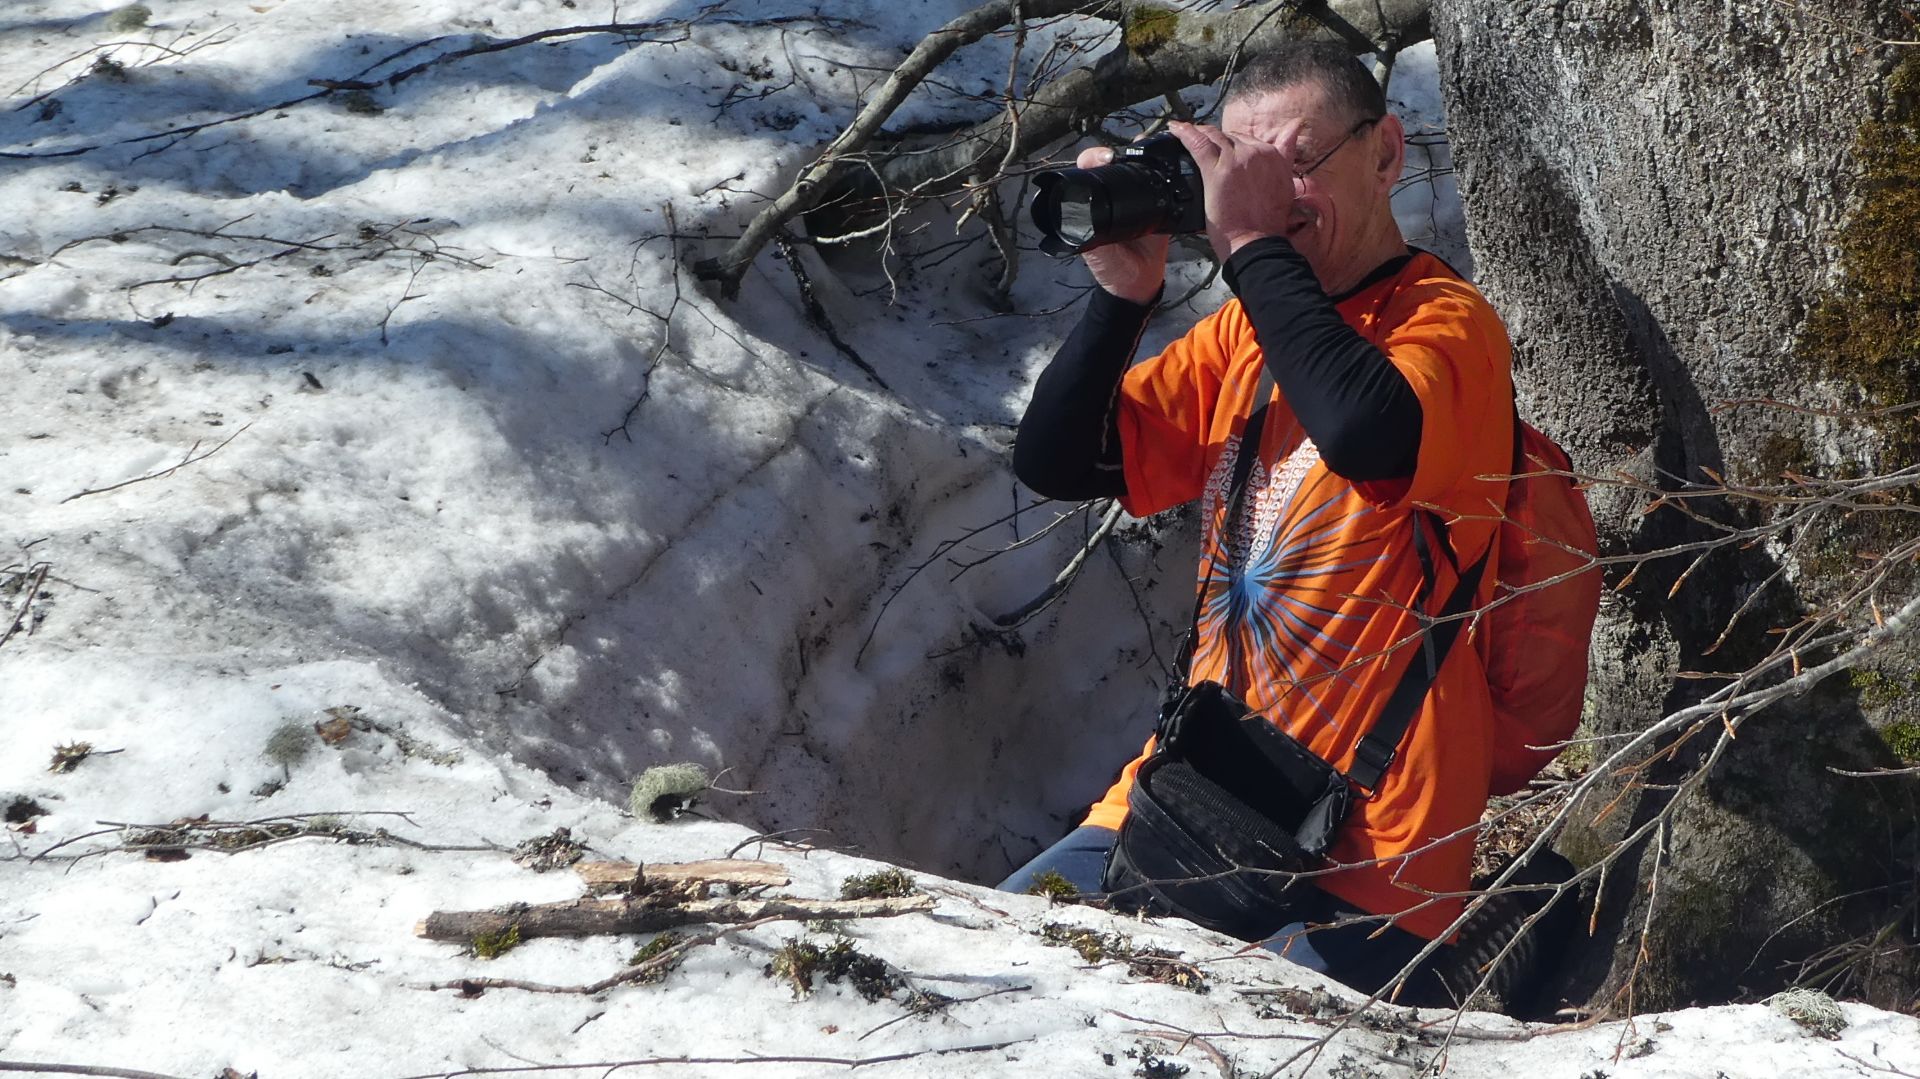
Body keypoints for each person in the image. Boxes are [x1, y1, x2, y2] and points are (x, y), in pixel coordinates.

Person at [1002, 42, 1516, 997]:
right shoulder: (1243, 331)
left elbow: (1369, 429)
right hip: (1186, 799)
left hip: (1367, 862)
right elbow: (1057, 461)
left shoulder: (1450, 326)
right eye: (1241, 169)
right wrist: (1123, 299)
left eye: (1297, 163)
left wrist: (1249, 246)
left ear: (1387, 153)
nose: (1270, 195)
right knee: (970, 973)